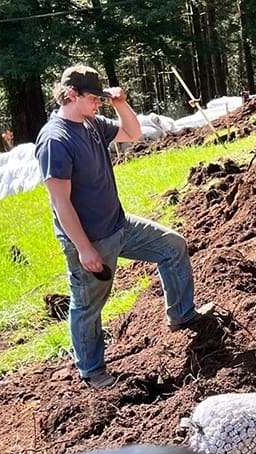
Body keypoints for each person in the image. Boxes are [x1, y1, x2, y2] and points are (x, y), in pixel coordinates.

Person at [35, 65, 212, 389]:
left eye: (100, 99)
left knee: (172, 246)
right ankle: (92, 372)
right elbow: (61, 203)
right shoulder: (55, 140)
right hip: (91, 240)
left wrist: (120, 104)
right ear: (71, 95)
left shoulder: (90, 124)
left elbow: (132, 134)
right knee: (88, 305)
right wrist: (85, 248)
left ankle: (182, 314)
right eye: (93, 98)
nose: (98, 104)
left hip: (119, 225)